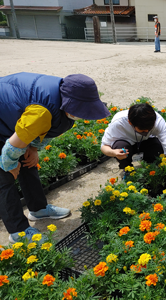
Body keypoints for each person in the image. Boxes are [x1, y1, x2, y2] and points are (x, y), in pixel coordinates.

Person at [0, 72, 111, 243]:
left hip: (14, 115)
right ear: (71, 103)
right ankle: (18, 232)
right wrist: (9, 164)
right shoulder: (41, 112)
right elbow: (12, 147)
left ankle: (38, 209)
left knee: (28, 160)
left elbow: (42, 129)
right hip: (3, 120)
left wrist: (34, 148)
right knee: (4, 178)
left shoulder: (63, 99)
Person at [100, 103, 166, 181]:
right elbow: (104, 147)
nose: (147, 131)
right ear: (130, 123)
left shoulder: (158, 121)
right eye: (143, 130)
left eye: (149, 129)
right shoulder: (119, 122)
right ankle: (128, 170)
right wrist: (114, 152)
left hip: (146, 143)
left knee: (158, 146)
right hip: (127, 146)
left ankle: (150, 166)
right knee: (120, 145)